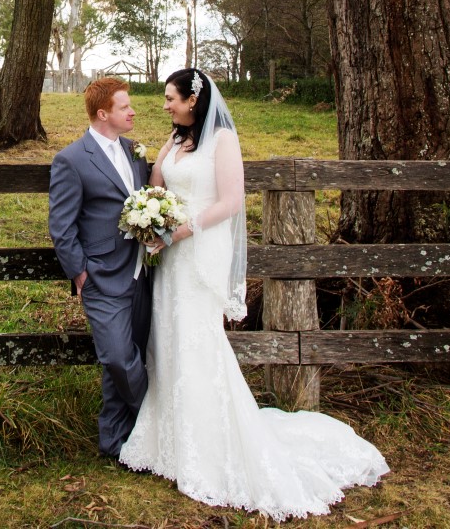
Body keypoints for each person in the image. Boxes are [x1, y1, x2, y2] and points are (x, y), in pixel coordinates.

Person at [118, 67, 389, 519]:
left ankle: (211, 441)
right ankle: (170, 438)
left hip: (200, 252)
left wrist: (180, 231)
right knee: (167, 339)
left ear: (194, 100)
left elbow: (231, 202)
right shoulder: (174, 141)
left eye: (171, 98)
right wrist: (150, 215)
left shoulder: (222, 140)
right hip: (170, 258)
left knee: (198, 340)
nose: (165, 105)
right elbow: (157, 186)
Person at [48, 75, 154, 459]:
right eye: (126, 107)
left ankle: (115, 443)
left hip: (142, 272)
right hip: (101, 276)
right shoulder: (71, 160)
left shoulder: (135, 152)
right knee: (117, 357)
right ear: (103, 113)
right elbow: (61, 225)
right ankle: (156, 419)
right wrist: (79, 272)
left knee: (132, 355)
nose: (133, 111)